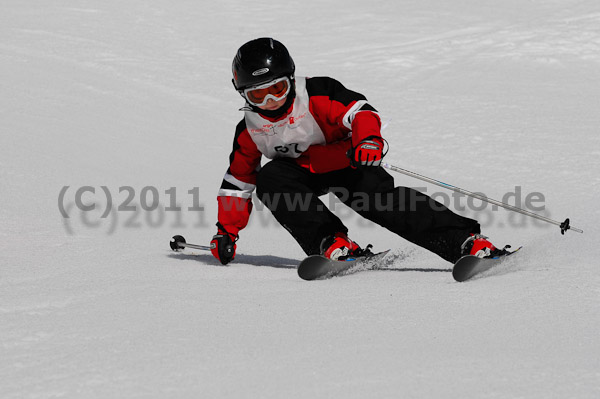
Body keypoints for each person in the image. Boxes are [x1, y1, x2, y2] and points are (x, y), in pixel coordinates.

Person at [210, 37, 505, 265]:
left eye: (277, 88)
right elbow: (238, 182)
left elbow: (360, 111)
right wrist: (226, 232)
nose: (271, 100)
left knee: (381, 203)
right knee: (270, 178)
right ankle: (332, 244)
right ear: (243, 94)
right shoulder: (250, 128)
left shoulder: (316, 93)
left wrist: (367, 141)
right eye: (258, 94)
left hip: (348, 161)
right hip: (301, 174)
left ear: (290, 80)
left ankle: (466, 241)